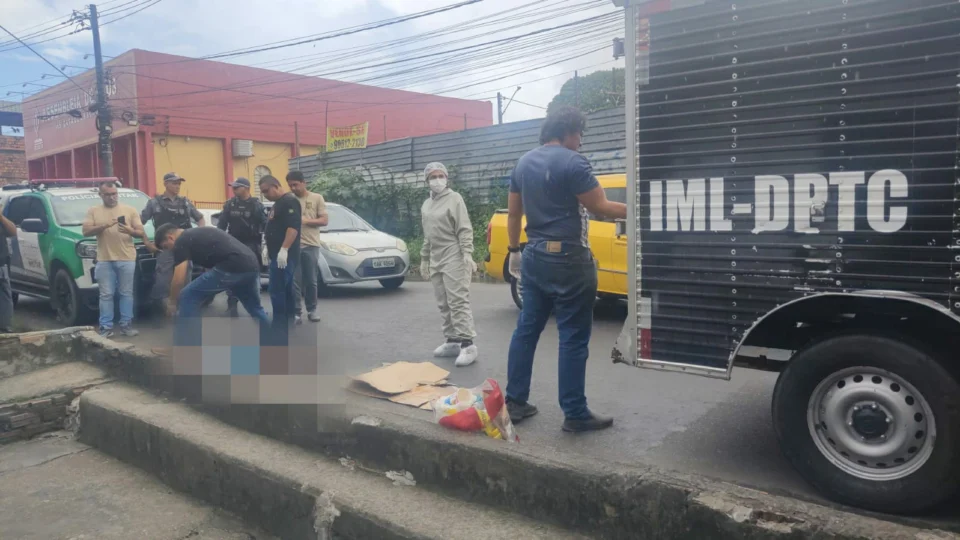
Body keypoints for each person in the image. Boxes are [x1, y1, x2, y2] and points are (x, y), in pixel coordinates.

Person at [504, 106, 627, 433]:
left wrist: (514, 250)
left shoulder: (523, 163)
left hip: (534, 257)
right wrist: (641, 210)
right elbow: (599, 206)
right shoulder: (574, 162)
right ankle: (574, 412)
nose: (581, 142)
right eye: (580, 134)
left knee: (527, 329)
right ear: (568, 131)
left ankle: (514, 402)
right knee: (573, 336)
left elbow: (514, 215)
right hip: (569, 259)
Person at [156, 224, 268, 346]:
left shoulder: (181, 241)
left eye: (166, 247)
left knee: (188, 295)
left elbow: (179, 278)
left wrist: (172, 302)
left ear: (170, 237)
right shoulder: (197, 233)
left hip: (232, 267)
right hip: (251, 265)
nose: (170, 251)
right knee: (254, 307)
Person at [419, 162, 479, 367]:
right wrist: (424, 258)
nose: (437, 180)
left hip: (454, 253)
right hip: (436, 255)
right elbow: (428, 234)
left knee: (457, 300)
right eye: (433, 176)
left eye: (440, 175)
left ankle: (468, 344)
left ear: (446, 178)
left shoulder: (455, 199)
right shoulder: (426, 205)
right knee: (443, 301)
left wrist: (467, 253)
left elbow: (464, 228)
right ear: (426, 180)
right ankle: (452, 340)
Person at [81, 181, 146, 338]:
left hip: (126, 257)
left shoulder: (129, 210)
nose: (112, 197)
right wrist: (103, 226)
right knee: (106, 294)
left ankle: (126, 325)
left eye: (114, 193)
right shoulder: (93, 211)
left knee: (126, 293)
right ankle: (106, 327)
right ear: (101, 195)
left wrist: (130, 230)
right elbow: (85, 231)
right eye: (108, 194)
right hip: (104, 259)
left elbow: (141, 232)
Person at [141, 172, 205, 311]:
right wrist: (147, 243)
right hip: (165, 247)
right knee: (163, 280)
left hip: (185, 246)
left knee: (185, 278)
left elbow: (200, 218)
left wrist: (198, 235)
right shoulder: (154, 203)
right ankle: (163, 309)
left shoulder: (185, 202)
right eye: (174, 183)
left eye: (179, 183)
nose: (177, 186)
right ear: (165, 184)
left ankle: (183, 306)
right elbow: (139, 222)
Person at [217, 177, 266, 318]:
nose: (233, 190)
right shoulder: (230, 204)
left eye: (236, 187)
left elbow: (265, 224)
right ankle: (232, 307)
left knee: (253, 276)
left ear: (246, 188)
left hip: (251, 244)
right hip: (233, 243)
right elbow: (221, 225)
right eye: (233, 187)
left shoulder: (256, 205)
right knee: (232, 275)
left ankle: (257, 308)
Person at [259, 175, 301, 336]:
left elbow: (293, 228)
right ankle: (289, 320)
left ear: (276, 186)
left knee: (276, 289)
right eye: (262, 192)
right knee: (287, 288)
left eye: (266, 191)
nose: (265, 195)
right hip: (277, 253)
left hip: (285, 255)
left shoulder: (289, 201)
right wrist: (267, 249)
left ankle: (279, 324)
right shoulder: (278, 203)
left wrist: (284, 249)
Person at [286, 170, 328, 325]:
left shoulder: (317, 198)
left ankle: (312, 310)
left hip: (311, 245)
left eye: (295, 185)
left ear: (304, 182)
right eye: (290, 185)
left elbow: (324, 221)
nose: (293, 188)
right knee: (294, 281)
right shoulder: (288, 199)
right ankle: (296, 312)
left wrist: (305, 221)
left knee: (311, 280)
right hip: (293, 245)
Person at [0, 203, 17, 333]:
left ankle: (4, 326)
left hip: (1, 264)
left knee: (5, 295)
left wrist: (1, 217)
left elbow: (13, 231)